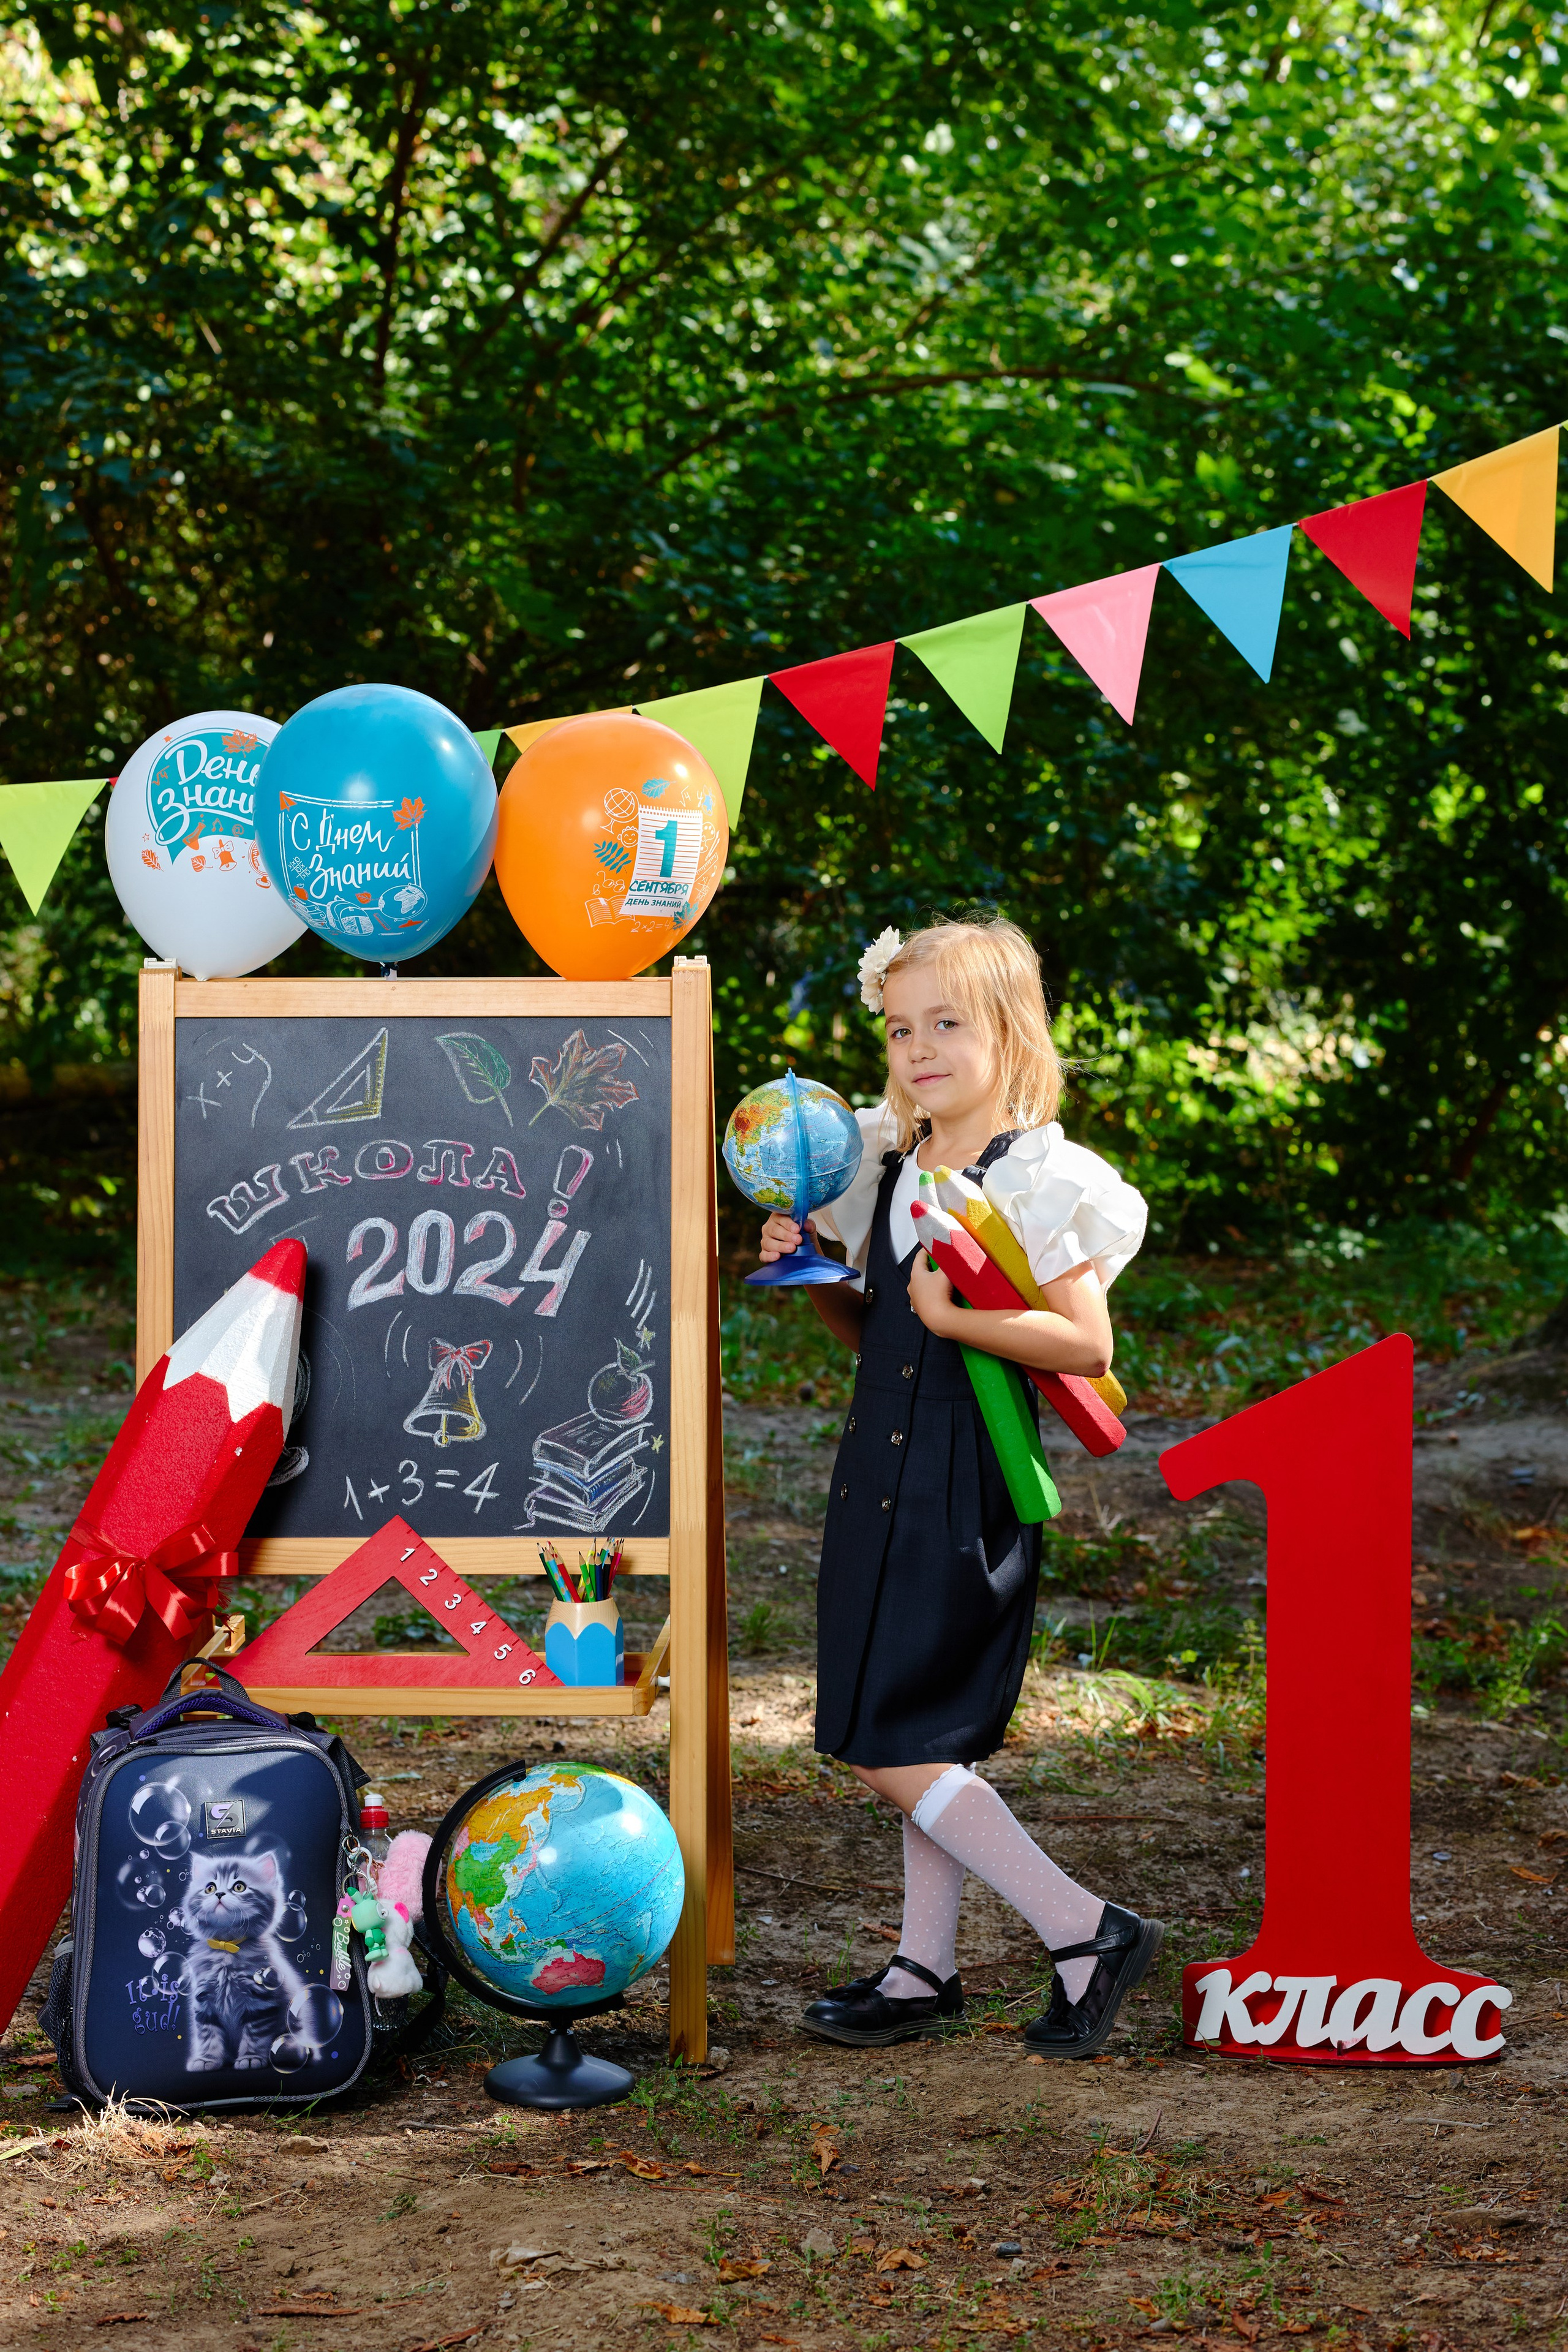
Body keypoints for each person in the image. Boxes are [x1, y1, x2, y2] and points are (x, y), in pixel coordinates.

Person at [757, 914, 1161, 2055]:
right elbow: (875, 1330)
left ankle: (1083, 1928)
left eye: (947, 1023)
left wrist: (953, 1312)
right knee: (922, 1729)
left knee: (889, 1737)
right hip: (874, 1464)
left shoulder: (1032, 1171)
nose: (919, 1048)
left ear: (1008, 1033)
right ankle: (922, 1969)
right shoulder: (887, 1161)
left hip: (961, 1478)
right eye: (900, 1028)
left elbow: (1086, 1344)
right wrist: (816, 1272)